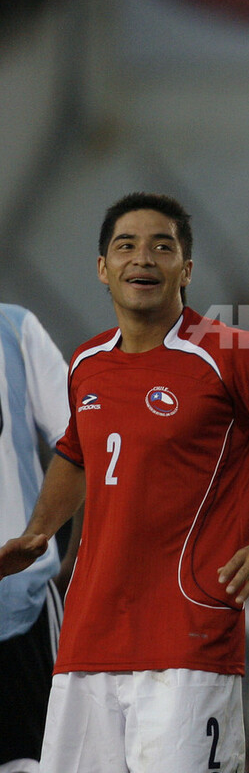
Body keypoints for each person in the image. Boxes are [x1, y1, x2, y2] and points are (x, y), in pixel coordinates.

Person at [0, 192, 249, 773]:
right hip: (86, 645)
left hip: (187, 643)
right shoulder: (88, 362)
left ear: (185, 270)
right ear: (102, 269)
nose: (143, 258)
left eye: (162, 246)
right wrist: (40, 531)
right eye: (126, 246)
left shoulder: (231, 353)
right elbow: (76, 453)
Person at [0, 304, 77, 773]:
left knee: (35, 761)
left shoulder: (14, 327)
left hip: (18, 602)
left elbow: (84, 438)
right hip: (23, 599)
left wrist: (78, 549)